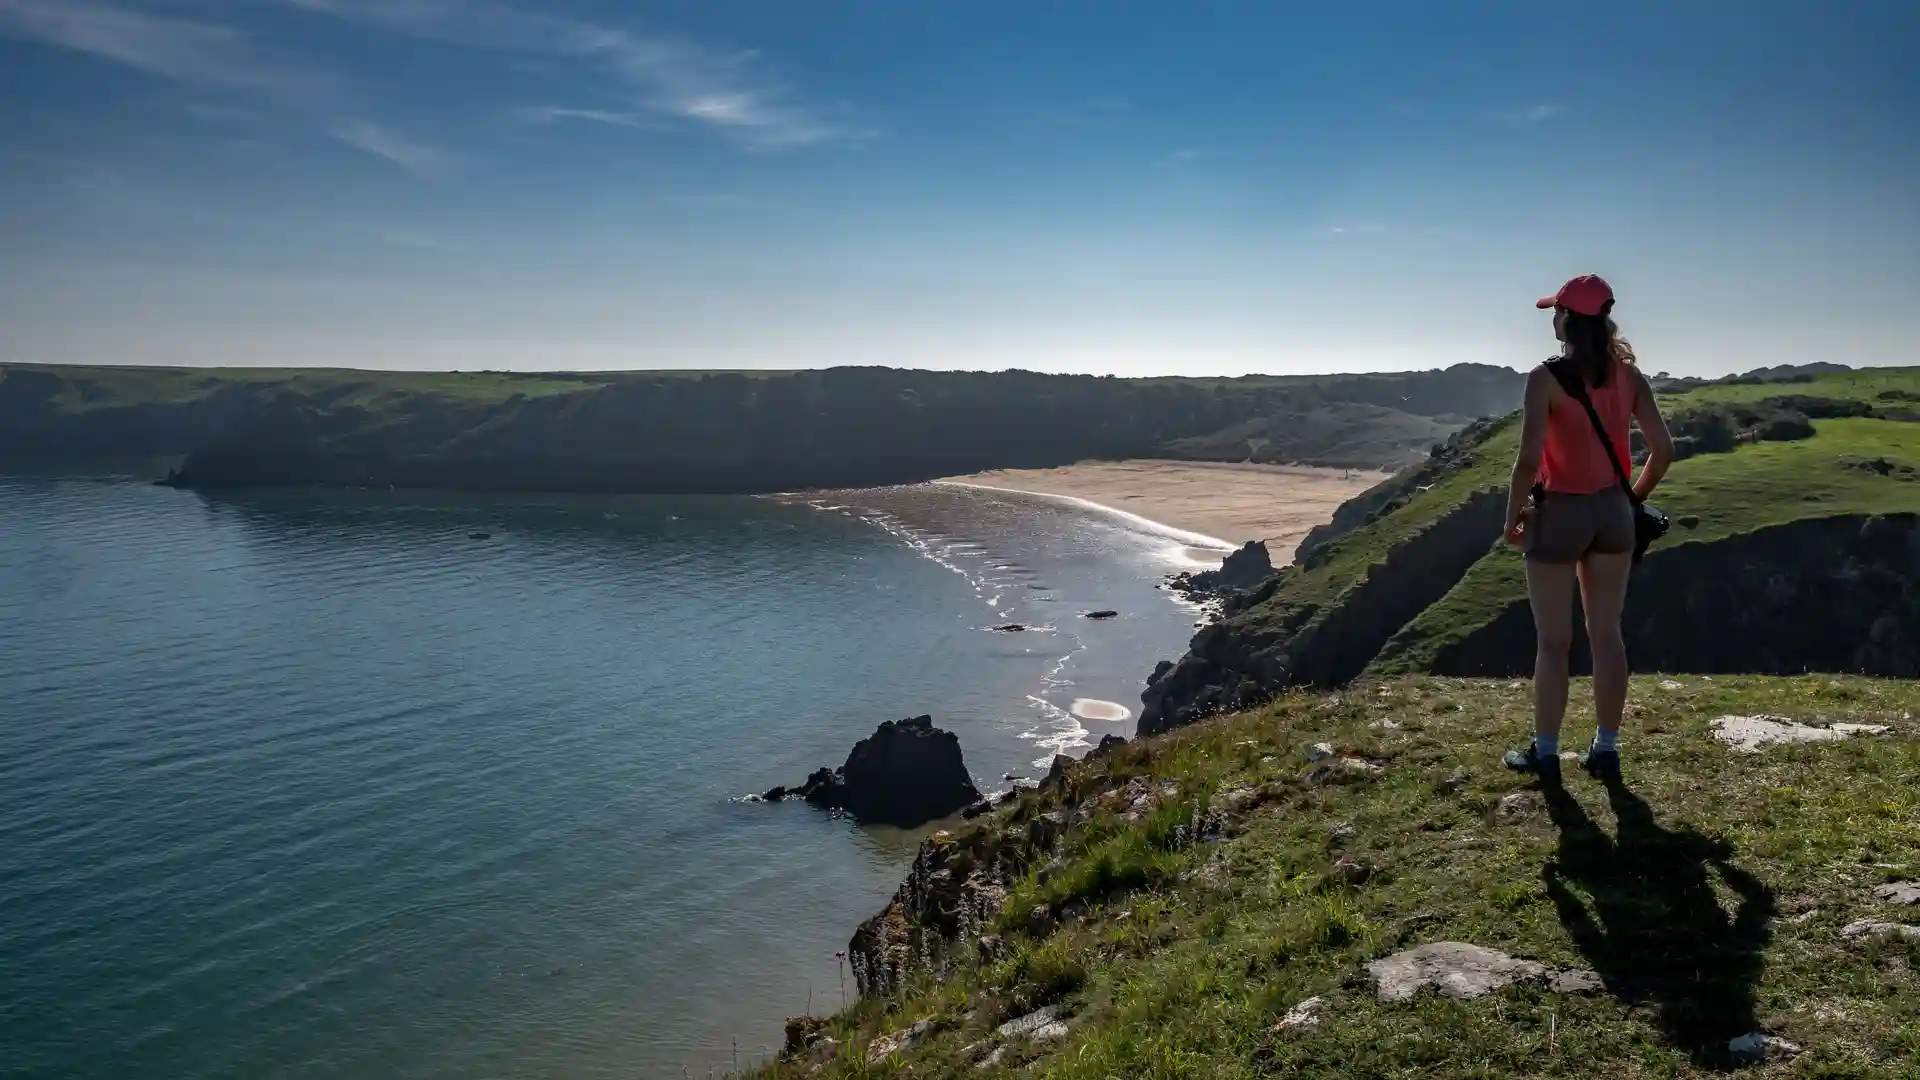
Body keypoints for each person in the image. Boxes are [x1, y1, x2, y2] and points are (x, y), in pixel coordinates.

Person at [1502, 274, 1674, 784]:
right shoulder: (1629, 376)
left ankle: (1547, 753)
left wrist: (1511, 517)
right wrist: (1631, 500)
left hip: (1560, 514)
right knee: (1607, 635)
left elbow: (1528, 459)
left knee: (1554, 642)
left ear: (1567, 321)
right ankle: (1606, 748)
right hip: (1613, 515)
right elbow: (1663, 451)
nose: (1553, 318)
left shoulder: (1544, 378)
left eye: (1556, 311)